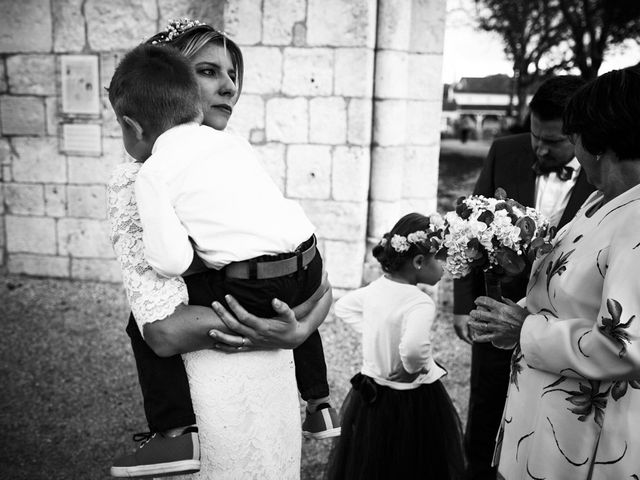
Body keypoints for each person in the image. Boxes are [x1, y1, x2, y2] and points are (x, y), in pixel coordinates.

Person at [107, 19, 333, 479]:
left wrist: (296, 332)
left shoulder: (230, 152)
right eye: (208, 71)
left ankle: (318, 403)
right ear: (168, 85)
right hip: (211, 388)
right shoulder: (135, 180)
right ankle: (175, 437)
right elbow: (162, 331)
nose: (229, 86)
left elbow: (320, 283)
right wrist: (279, 322)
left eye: (232, 74)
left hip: (273, 377)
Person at [467, 64, 640, 479]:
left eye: (572, 138)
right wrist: (513, 309)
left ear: (597, 143)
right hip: (540, 421)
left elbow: (625, 347)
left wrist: (524, 330)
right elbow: (572, 289)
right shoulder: (601, 199)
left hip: (580, 441)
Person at [452, 75, 595, 480]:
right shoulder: (503, 151)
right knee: (484, 411)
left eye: (553, 141)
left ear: (581, 137)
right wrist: (464, 306)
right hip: (498, 312)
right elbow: (468, 233)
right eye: (535, 135)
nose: (539, 148)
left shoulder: (607, 180)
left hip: (561, 326)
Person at [326, 213, 466, 480]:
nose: (445, 266)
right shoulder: (419, 302)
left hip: (372, 398)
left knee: (373, 459)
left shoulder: (375, 289)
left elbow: (343, 308)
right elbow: (414, 349)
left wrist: (377, 332)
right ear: (419, 261)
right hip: (411, 399)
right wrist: (411, 368)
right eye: (442, 258)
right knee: (411, 461)